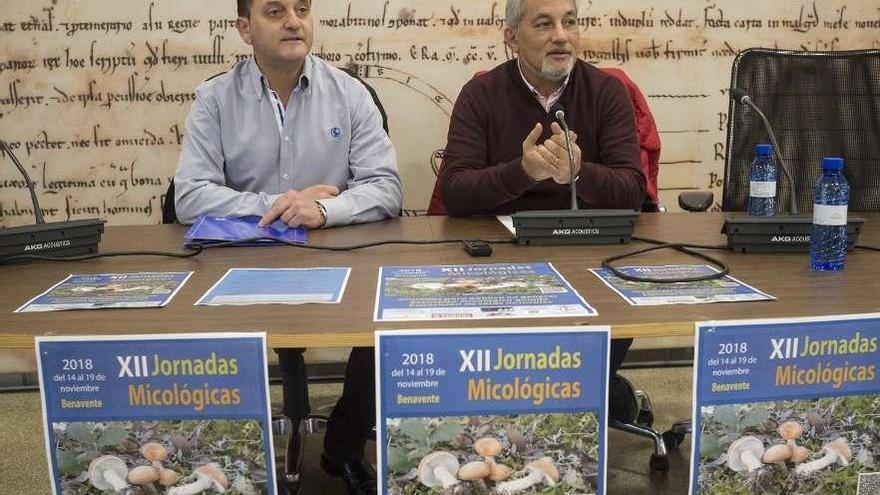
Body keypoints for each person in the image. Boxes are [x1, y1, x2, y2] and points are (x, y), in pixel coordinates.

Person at [174, 1, 402, 494]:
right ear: (244, 29)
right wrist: (281, 203)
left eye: (301, 8)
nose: (294, 21)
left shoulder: (351, 93)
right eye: (275, 11)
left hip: (337, 261)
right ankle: (219, 458)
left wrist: (323, 211)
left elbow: (386, 188)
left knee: (387, 317)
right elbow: (190, 196)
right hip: (242, 266)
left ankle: (344, 439)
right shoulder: (214, 99)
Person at [439, 0, 647, 416]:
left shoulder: (607, 92)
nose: (561, 36)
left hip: (588, 252)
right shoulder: (480, 94)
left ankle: (588, 390)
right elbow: (455, 191)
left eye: (570, 23)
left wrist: (578, 173)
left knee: (627, 295)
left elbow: (633, 190)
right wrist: (524, 171)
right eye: (544, 24)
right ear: (511, 37)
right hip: (503, 259)